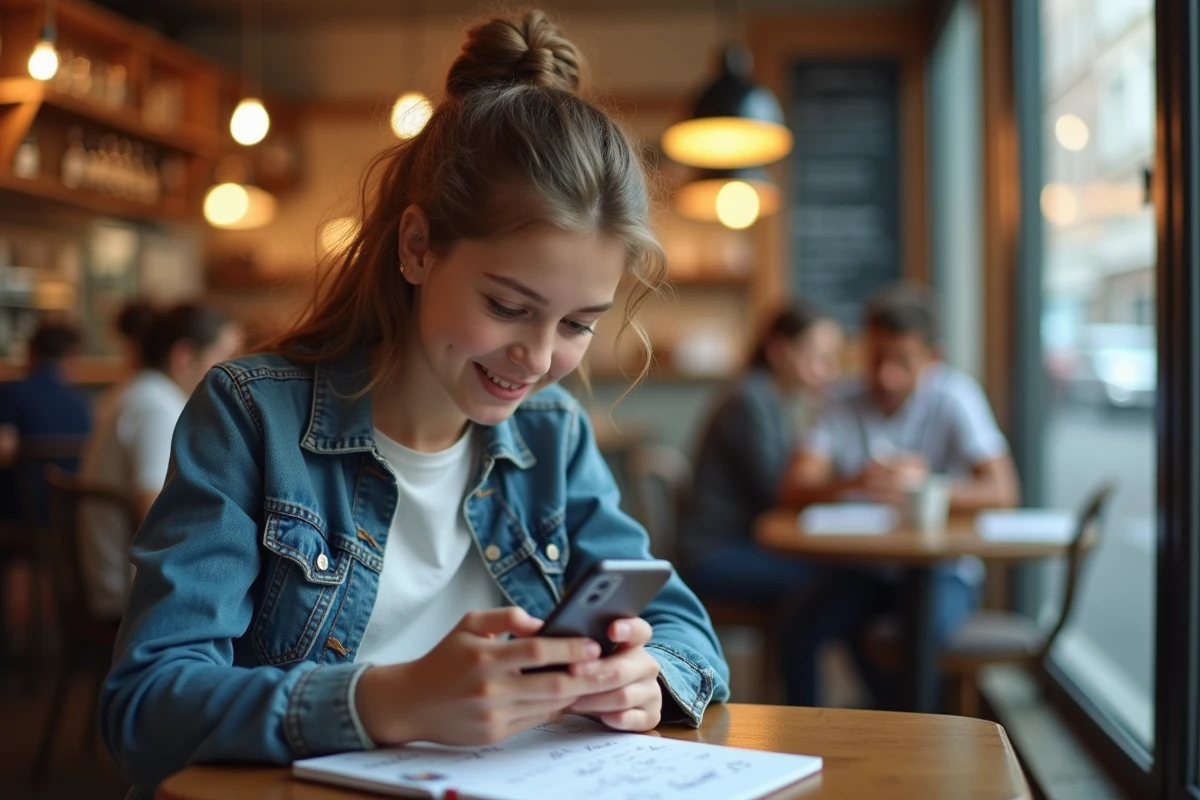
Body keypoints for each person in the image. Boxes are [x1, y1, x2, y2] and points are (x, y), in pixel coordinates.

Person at [99, 11, 730, 797]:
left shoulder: (552, 432)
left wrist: (648, 677)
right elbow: (146, 708)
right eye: (506, 306)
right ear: (417, 246)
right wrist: (389, 699)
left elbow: (687, 632)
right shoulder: (253, 415)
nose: (537, 360)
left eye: (576, 325)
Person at [779, 282, 1020, 708]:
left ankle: (920, 749)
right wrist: (855, 481)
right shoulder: (840, 400)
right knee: (797, 627)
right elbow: (795, 488)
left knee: (921, 641)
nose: (887, 376)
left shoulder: (955, 396)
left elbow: (1003, 491)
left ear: (934, 359)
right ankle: (804, 747)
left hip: (941, 568)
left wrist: (925, 488)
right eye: (877, 359)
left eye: (903, 362)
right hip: (865, 568)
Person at [80, 302, 242, 621]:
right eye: (224, 359)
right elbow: (160, 519)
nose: (235, 374)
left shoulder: (138, 392)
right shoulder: (157, 408)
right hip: (131, 592)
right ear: (184, 358)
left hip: (112, 577)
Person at [682, 302, 843, 602]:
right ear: (779, 351)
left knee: (842, 578)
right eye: (818, 357)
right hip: (718, 553)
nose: (830, 369)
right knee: (835, 584)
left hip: (743, 544)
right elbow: (777, 494)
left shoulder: (773, 399)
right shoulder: (750, 400)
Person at [0, 320, 91, 522]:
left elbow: (4, 449)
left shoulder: (10, 393)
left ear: (31, 352)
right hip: (70, 517)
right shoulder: (82, 404)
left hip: (17, 514)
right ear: (72, 355)